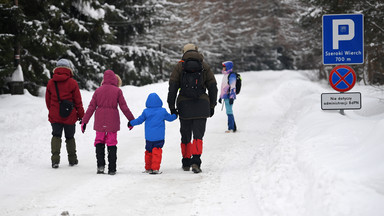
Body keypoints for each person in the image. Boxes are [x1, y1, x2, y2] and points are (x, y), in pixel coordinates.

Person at [167, 43, 218, 173]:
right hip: (202, 105)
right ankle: (196, 161)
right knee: (198, 136)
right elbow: (213, 87)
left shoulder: (179, 67)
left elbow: (172, 88)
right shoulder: (205, 67)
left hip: (184, 106)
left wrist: (172, 107)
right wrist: (212, 105)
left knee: (185, 135)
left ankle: (185, 161)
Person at [81, 70, 135, 175]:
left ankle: (100, 166)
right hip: (112, 121)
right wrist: (131, 120)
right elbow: (124, 107)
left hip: (100, 120)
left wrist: (84, 121)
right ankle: (112, 168)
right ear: (115, 80)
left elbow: (91, 107)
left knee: (99, 141)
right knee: (112, 143)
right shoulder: (117, 91)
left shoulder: (98, 91)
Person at [45, 58, 84, 168]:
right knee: (70, 137)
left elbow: (48, 100)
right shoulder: (73, 83)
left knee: (56, 136)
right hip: (70, 116)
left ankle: (55, 160)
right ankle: (72, 159)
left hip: (55, 115)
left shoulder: (51, 83)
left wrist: (52, 110)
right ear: (69, 69)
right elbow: (78, 102)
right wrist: (82, 116)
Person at [128, 93, 177, 174]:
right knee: (157, 152)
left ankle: (148, 168)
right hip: (159, 138)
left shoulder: (146, 112)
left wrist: (131, 123)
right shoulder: (162, 111)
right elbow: (170, 118)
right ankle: (155, 168)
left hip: (149, 138)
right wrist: (175, 115)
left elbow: (139, 120)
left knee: (148, 152)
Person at [218, 61, 237, 133]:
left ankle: (231, 128)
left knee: (229, 112)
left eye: (224, 67)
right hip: (225, 96)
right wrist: (220, 97)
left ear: (228, 67)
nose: (223, 68)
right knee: (228, 112)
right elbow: (223, 87)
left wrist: (232, 97)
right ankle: (233, 127)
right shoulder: (225, 75)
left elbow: (233, 86)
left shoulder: (231, 75)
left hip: (229, 97)